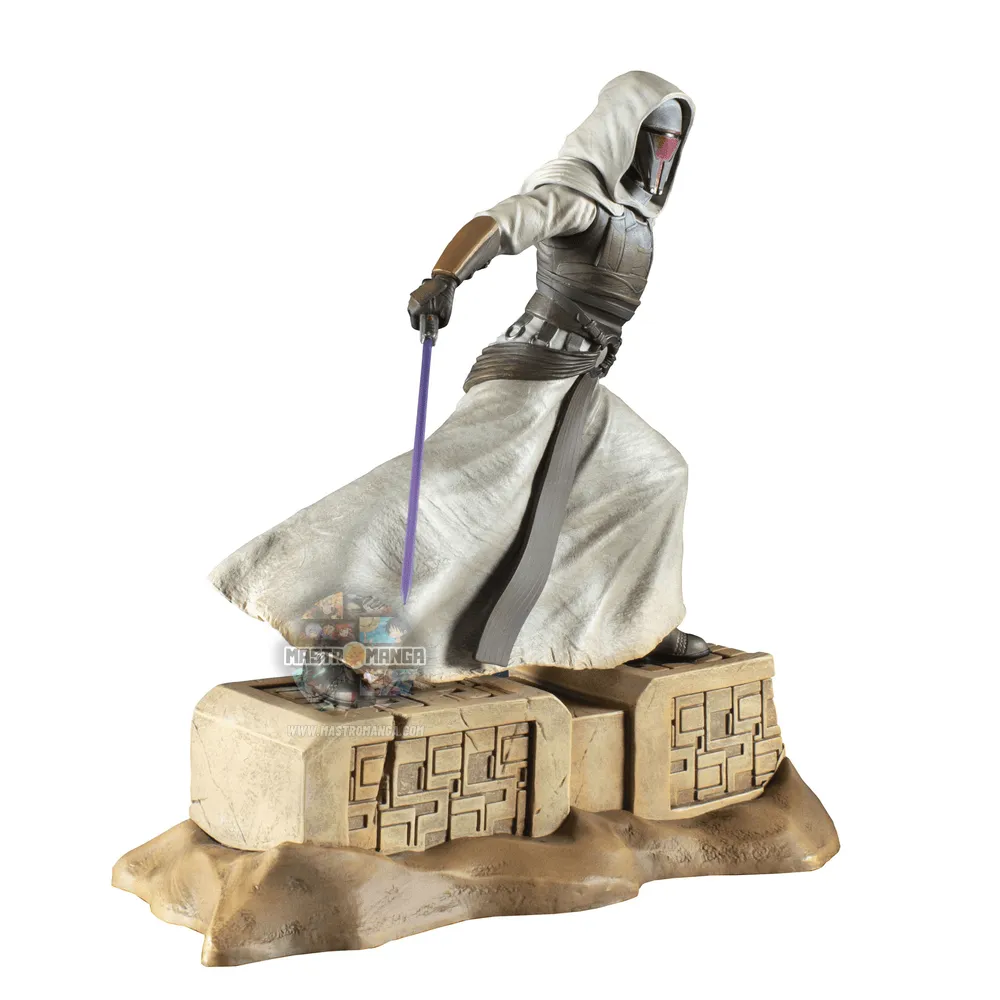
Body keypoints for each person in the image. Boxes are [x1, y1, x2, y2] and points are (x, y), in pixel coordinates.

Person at [212, 70, 710, 684]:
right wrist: (446, 276)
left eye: (674, 141)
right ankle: (325, 622)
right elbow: (502, 223)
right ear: (623, 133)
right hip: (531, 378)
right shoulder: (576, 197)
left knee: (656, 474)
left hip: (579, 385)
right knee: (443, 494)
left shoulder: (630, 214)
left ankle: (638, 624)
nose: (664, 152)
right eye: (655, 136)